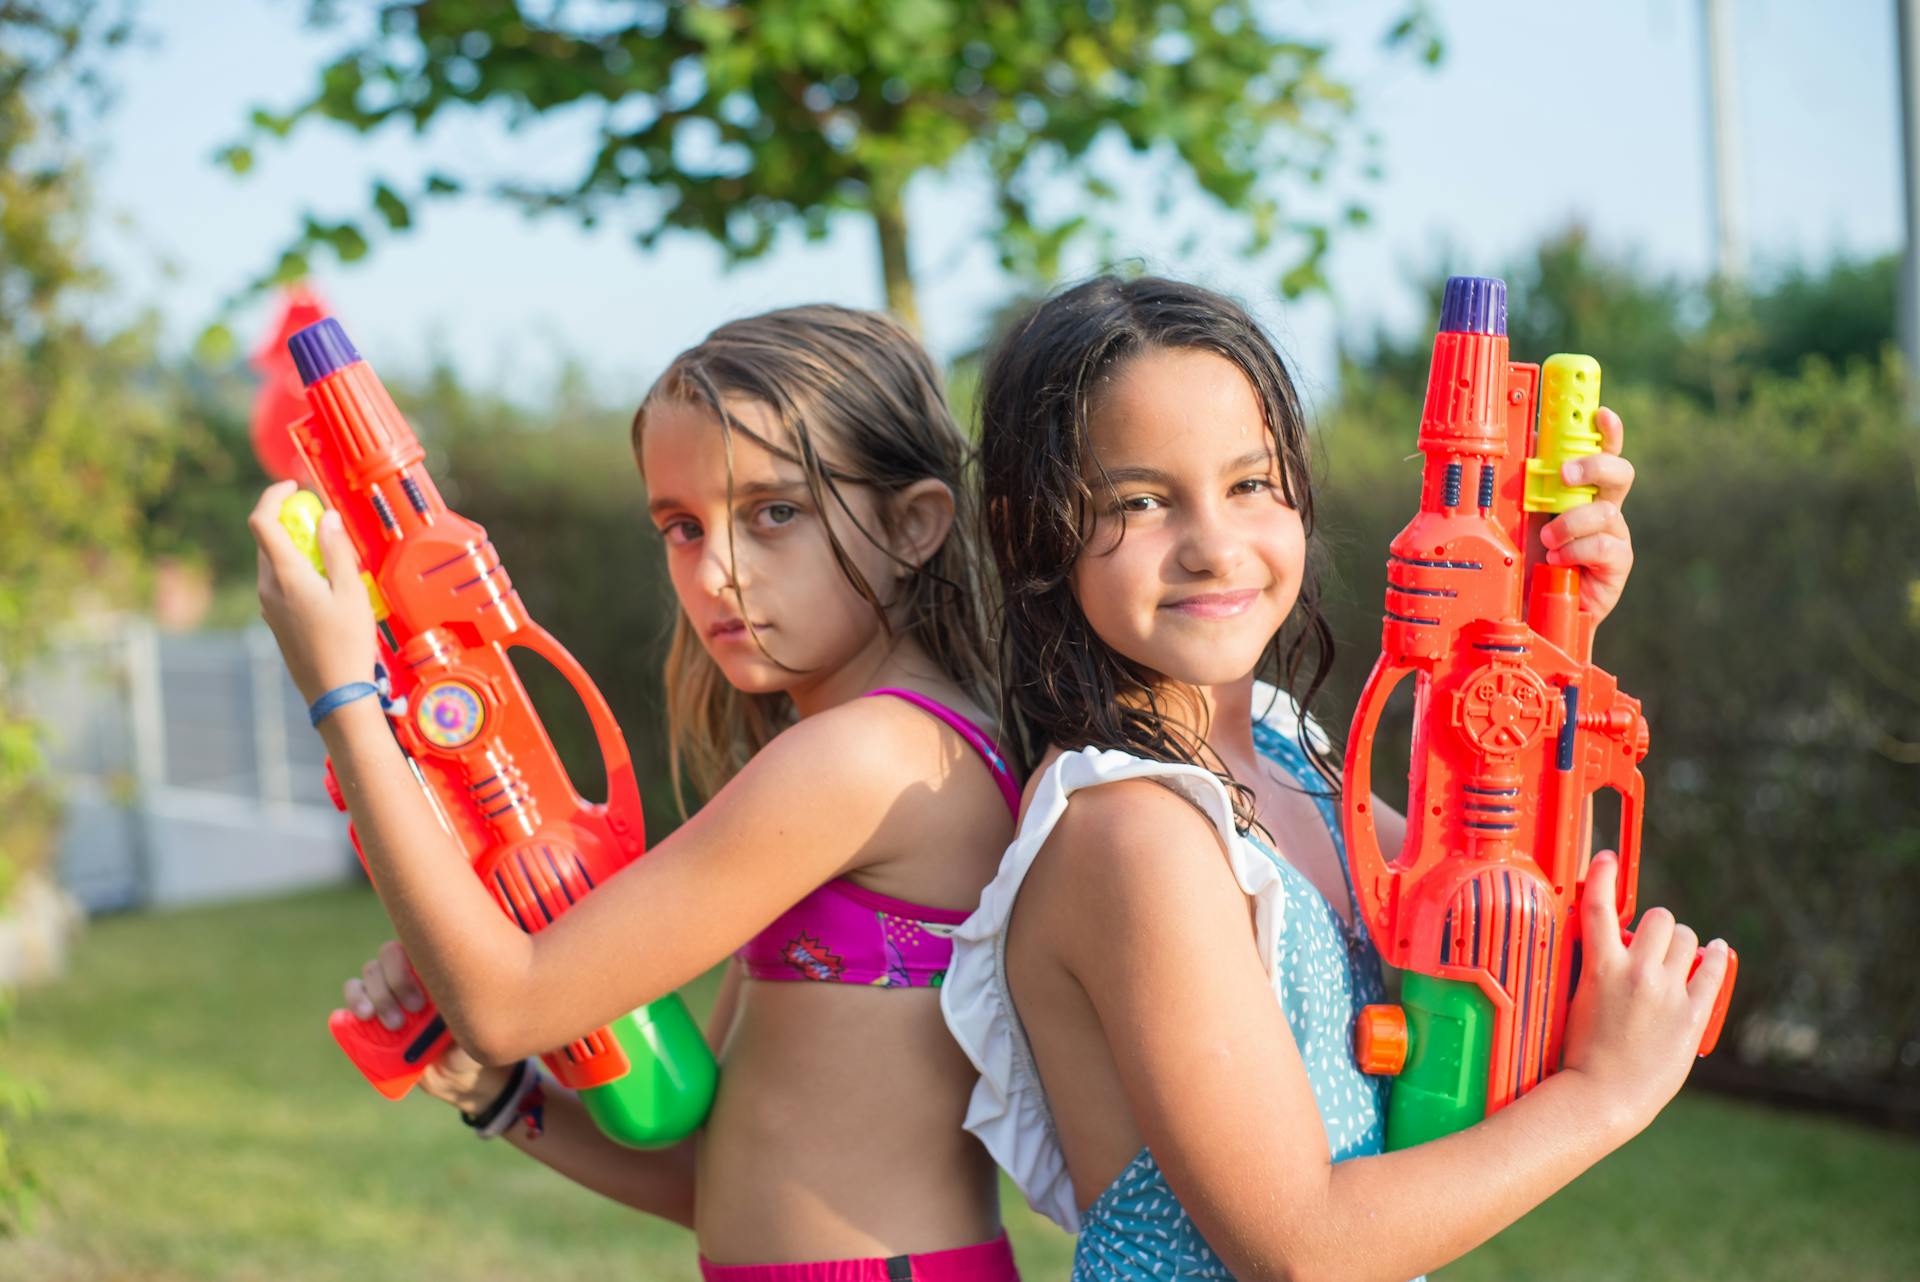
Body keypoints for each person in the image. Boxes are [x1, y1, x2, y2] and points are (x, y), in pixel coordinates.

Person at [940, 275, 1731, 1281]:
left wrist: (1536, 628)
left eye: (1251, 483)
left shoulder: (1281, 751)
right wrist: (1606, 1095)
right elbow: (1303, 1249)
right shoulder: (1132, 835)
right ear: (1031, 528)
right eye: (1141, 500)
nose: (1215, 545)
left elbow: (1502, 925)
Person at [251, 305, 1023, 1281]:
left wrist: (346, 698)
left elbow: (508, 1001)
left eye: (773, 512)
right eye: (681, 526)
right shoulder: (861, 749)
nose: (715, 571)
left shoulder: (863, 757)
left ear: (914, 524)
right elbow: (717, 1174)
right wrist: (503, 1097)